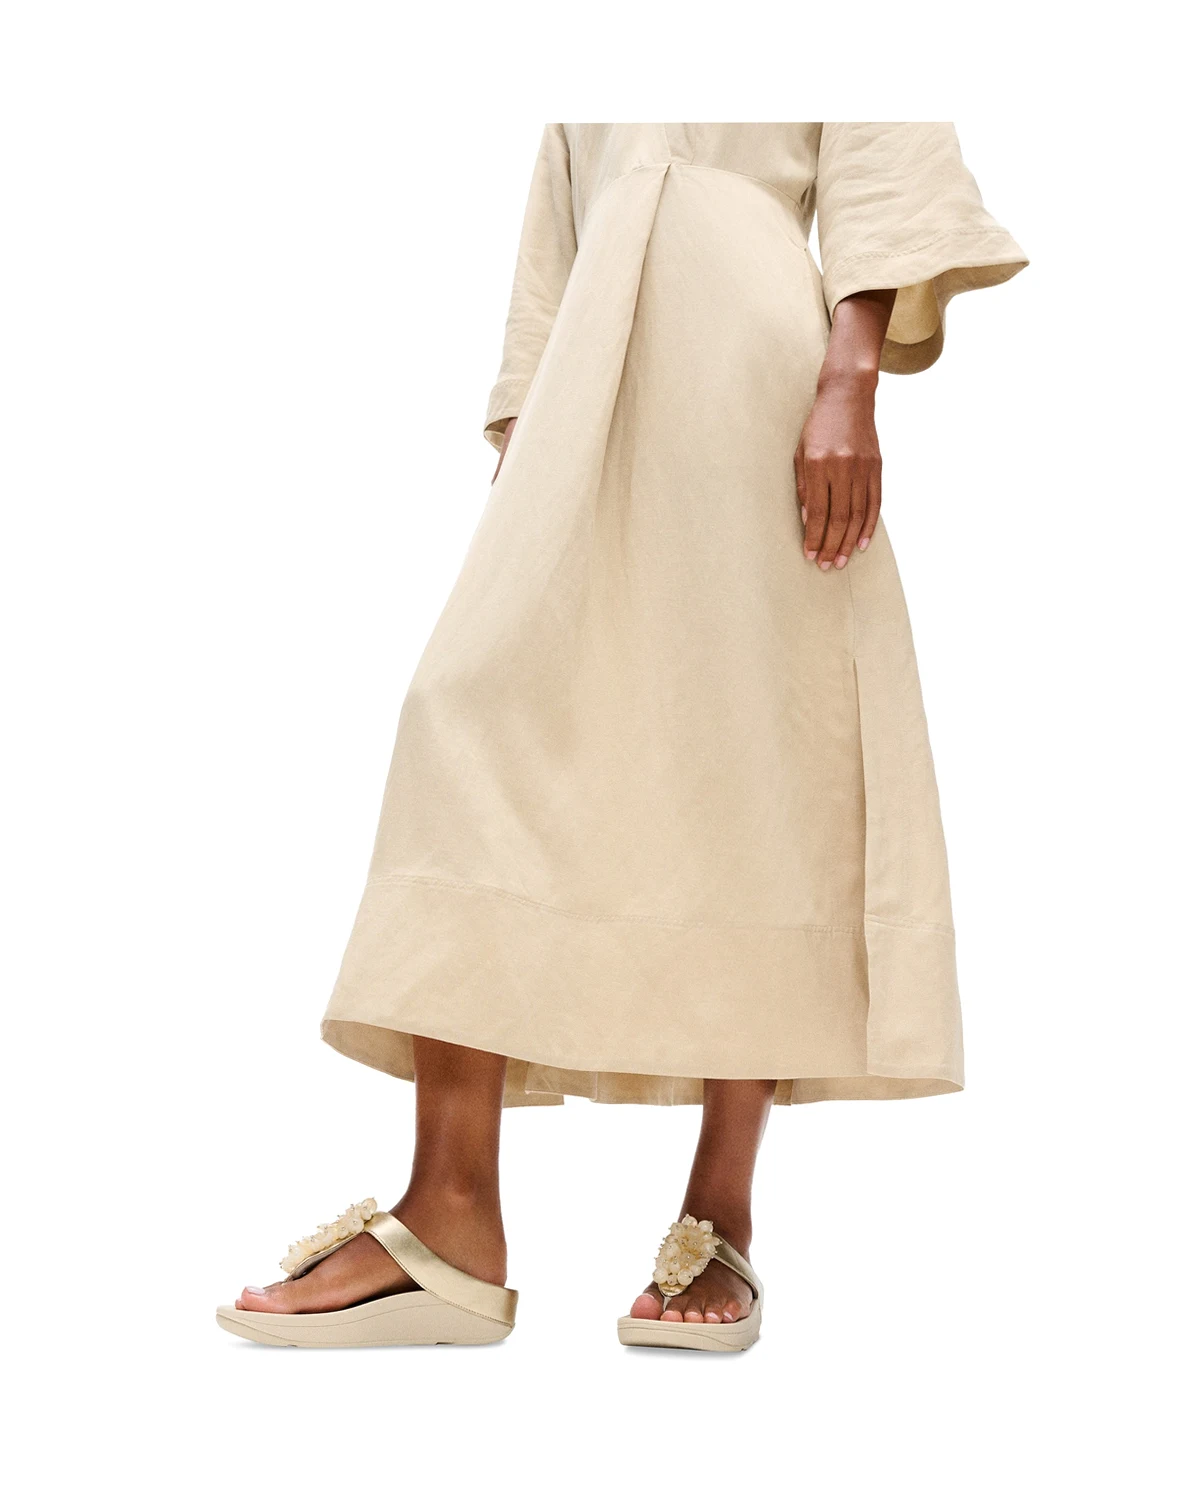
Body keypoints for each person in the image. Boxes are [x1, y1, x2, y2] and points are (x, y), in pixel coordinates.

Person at [217, 123, 1026, 1352]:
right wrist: (528, 439)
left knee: (748, 750)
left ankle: (720, 1205)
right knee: (468, 709)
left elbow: (878, 131)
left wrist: (848, 378)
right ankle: (452, 1212)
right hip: (587, 373)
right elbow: (559, 211)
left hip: (751, 365)